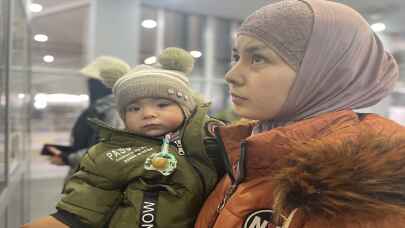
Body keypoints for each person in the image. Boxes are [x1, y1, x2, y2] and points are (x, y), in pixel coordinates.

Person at [194, 0, 405, 227]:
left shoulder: (362, 187)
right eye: (237, 57)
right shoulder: (251, 152)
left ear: (323, 72)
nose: (231, 75)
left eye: (258, 58)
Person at [22, 47, 225, 228]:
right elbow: (81, 208)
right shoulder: (112, 154)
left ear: (187, 108)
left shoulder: (211, 139)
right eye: (134, 108)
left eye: (162, 104)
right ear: (123, 117)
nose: (147, 113)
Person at [47, 78, 124, 182]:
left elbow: (107, 150)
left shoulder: (112, 111)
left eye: (93, 82)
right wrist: (66, 153)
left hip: (96, 182)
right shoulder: (97, 109)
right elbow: (90, 142)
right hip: (86, 176)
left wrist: (68, 158)